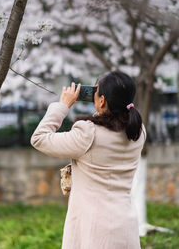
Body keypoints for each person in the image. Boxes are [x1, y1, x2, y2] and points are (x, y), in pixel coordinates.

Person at [30, 70, 147, 249]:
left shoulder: (88, 134)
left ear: (102, 100)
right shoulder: (138, 132)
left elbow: (39, 138)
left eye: (96, 92)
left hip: (93, 228)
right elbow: (110, 125)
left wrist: (62, 106)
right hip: (125, 224)